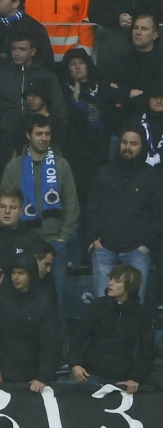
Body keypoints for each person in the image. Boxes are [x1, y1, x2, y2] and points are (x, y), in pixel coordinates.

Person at [84, 126, 160, 303]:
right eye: (124, 142)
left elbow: (159, 215)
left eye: (134, 143)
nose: (128, 147)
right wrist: (95, 241)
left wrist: (146, 246)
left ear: (142, 146)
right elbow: (91, 209)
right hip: (104, 250)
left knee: (134, 308)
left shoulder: (152, 177)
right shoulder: (105, 172)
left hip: (137, 251)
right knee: (103, 307)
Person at [0, 116, 80, 268]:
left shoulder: (61, 165)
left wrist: (63, 238)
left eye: (47, 134)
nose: (44, 138)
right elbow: (4, 206)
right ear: (28, 135)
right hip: (21, 240)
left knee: (56, 291)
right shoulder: (13, 167)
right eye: (39, 134)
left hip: (55, 241)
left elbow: (72, 204)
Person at [0, 250, 63, 391]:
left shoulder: (44, 300)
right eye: (13, 273)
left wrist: (43, 376)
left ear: (31, 274)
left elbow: (50, 340)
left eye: (21, 273)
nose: (16, 277)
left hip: (31, 375)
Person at [0, 30, 67, 166]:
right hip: (7, 146)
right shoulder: (0, 78)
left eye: (22, 49)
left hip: (43, 147)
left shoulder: (48, 76)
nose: (17, 53)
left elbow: (60, 112)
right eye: (14, 48)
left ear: (33, 51)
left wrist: (56, 146)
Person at [70, 264, 153, 392]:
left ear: (130, 286)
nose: (110, 283)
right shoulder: (97, 306)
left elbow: (146, 349)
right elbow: (78, 336)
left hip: (123, 379)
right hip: (90, 375)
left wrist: (135, 378)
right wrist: (75, 364)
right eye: (111, 279)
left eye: (117, 281)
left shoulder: (141, 313)